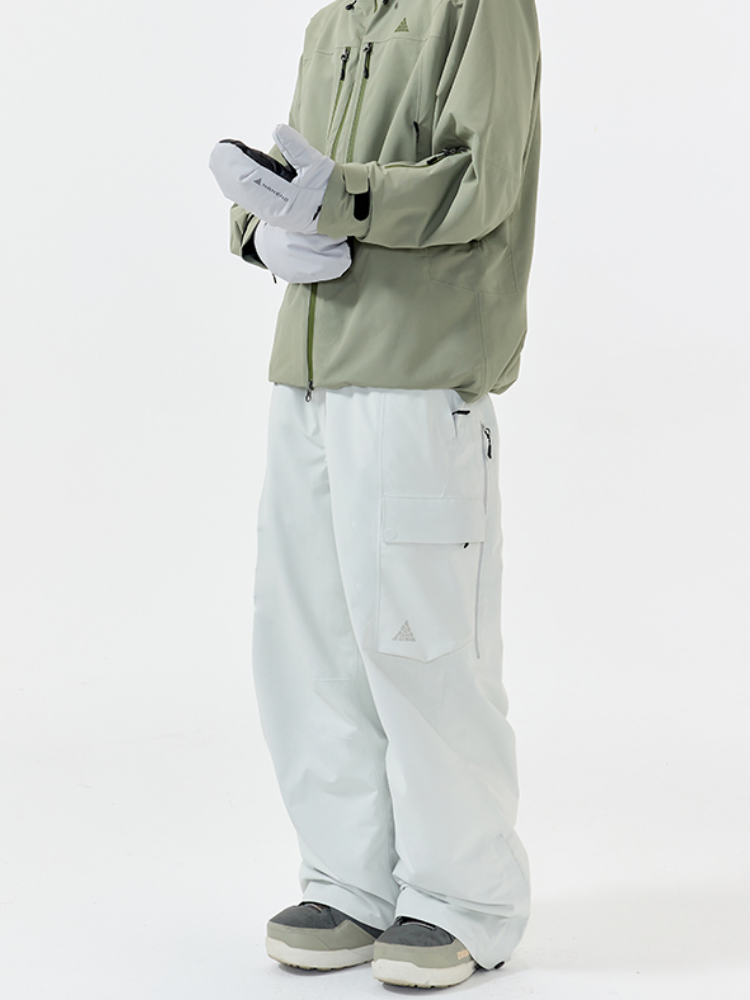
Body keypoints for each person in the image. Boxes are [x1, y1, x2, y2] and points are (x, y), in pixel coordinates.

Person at [209, 0, 541, 988]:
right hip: (306, 380)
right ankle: (348, 880)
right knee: (305, 641)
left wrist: (342, 200)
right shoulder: (333, 23)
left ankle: (465, 899)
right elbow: (298, 180)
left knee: (421, 645)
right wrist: (257, 232)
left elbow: (483, 180)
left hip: (415, 375)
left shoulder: (479, 9)